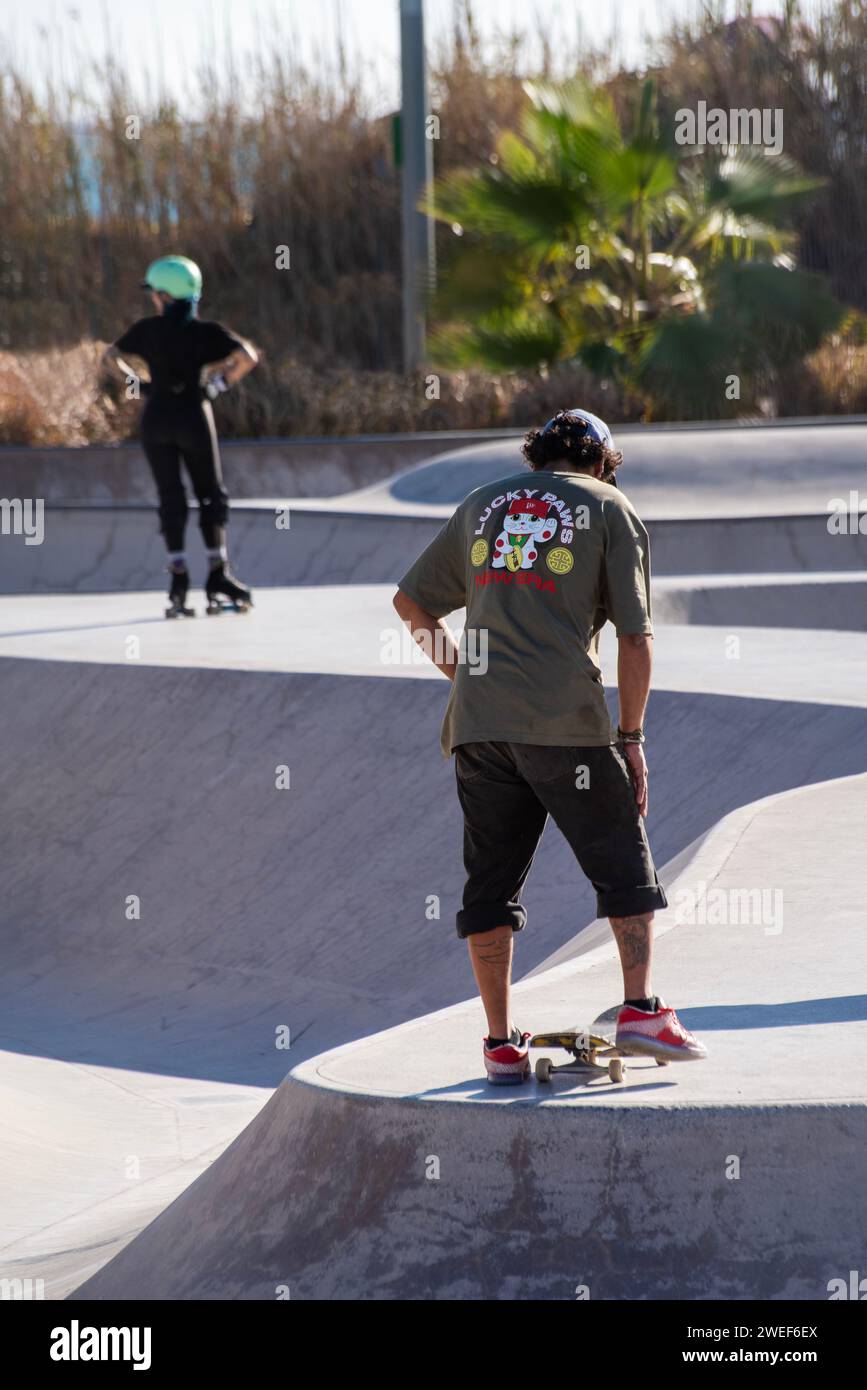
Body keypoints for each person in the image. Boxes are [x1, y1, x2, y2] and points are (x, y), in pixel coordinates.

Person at [393, 408, 707, 1084]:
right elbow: (633, 636)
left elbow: (410, 606)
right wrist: (631, 735)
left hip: (479, 728)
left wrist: (464, 677)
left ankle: (500, 1044)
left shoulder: (482, 504)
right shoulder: (608, 507)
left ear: (538, 458)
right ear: (601, 463)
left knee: (491, 885)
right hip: (563, 723)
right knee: (624, 865)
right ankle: (639, 1011)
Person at [103, 255, 259, 616]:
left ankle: (178, 579)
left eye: (155, 294)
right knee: (210, 493)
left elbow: (110, 357)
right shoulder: (206, 333)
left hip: (156, 417)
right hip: (193, 414)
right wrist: (218, 384)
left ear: (163, 295)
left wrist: (138, 386)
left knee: (170, 495)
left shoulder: (147, 330)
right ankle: (218, 575)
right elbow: (248, 356)